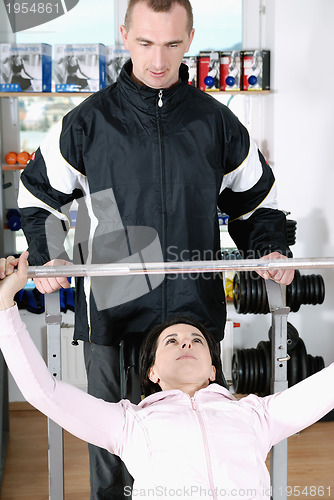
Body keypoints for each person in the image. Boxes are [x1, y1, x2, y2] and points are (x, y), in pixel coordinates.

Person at [17, 0, 294, 498]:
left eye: (170, 43)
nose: (158, 60)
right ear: (125, 36)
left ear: (189, 39)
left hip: (192, 314)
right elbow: (38, 196)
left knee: (196, 443)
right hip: (113, 313)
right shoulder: (88, 123)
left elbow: (256, 204)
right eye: (145, 43)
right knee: (113, 454)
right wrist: (50, 255)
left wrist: (270, 250)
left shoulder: (218, 124)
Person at [0, 253, 332, 500]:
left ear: (212, 369)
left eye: (197, 340)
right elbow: (44, 393)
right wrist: (4, 305)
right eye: (171, 341)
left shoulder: (256, 414)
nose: (186, 341)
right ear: (152, 371)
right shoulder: (129, 423)